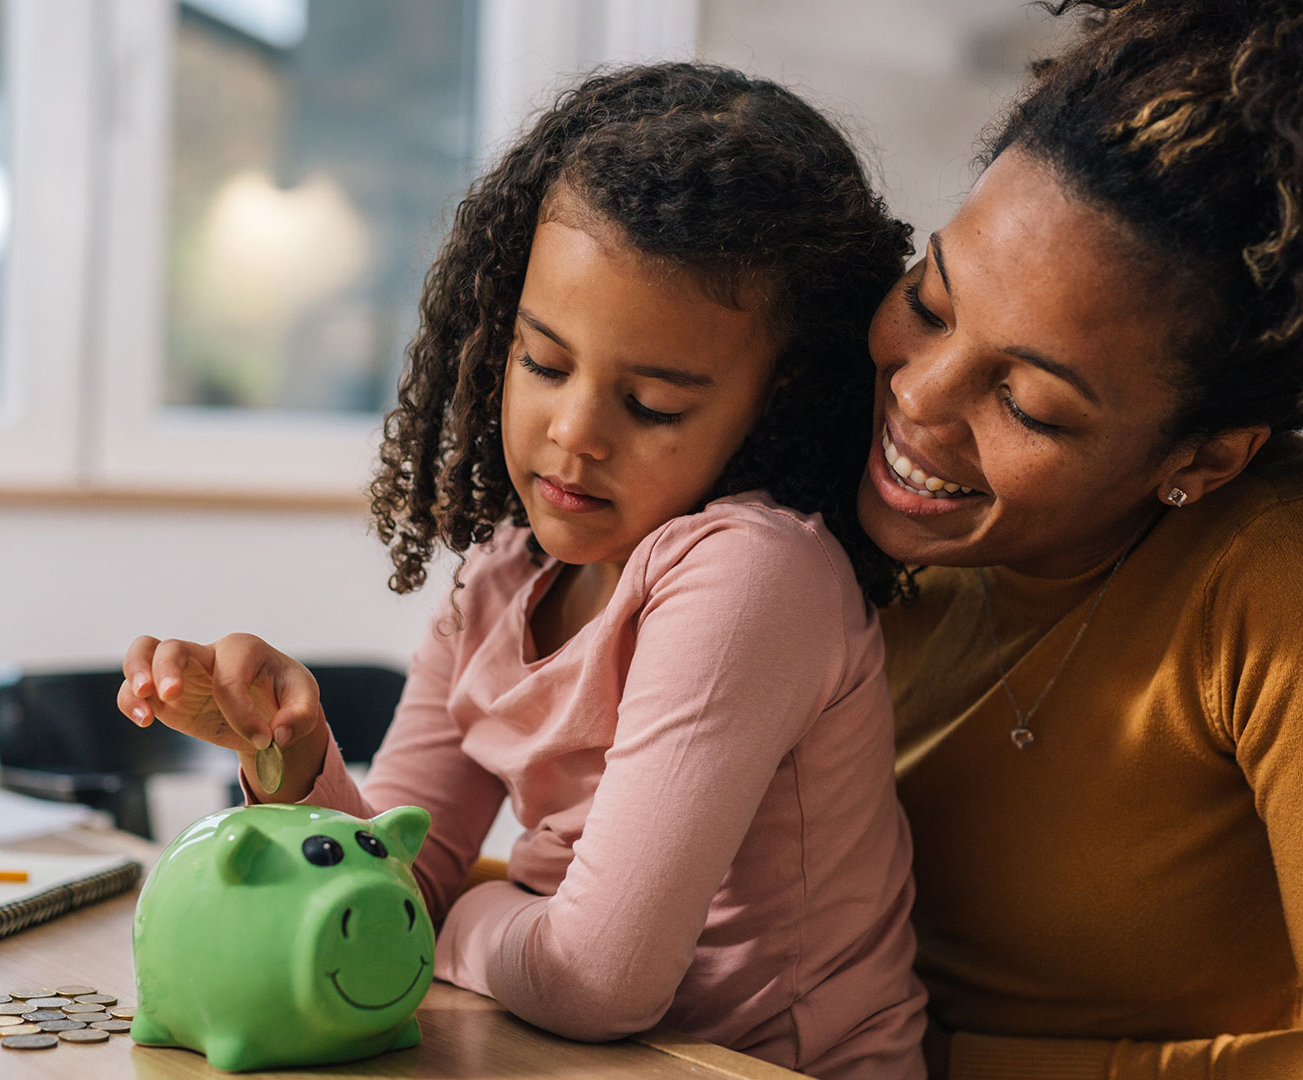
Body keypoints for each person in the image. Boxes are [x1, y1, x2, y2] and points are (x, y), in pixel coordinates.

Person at [120, 64, 928, 1079]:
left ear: (777, 403)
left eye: (655, 407)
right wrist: (291, 753)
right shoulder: (507, 578)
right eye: (544, 363)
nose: (575, 434)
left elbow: (597, 980)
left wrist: (471, 910)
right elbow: (392, 899)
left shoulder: (753, 577)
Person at [860, 1, 1303, 1077]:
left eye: (1031, 404)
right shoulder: (819, 462)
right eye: (931, 300)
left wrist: (940, 1061)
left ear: (1202, 460)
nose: (916, 395)